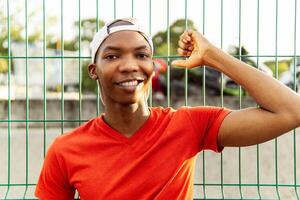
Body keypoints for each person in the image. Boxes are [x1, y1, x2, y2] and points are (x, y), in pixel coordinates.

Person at [35, 18, 300, 200]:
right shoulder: (65, 150)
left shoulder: (188, 125)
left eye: (141, 55)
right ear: (94, 70)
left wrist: (213, 57)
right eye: (113, 56)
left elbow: (291, 111)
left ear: (153, 67)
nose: (129, 65)